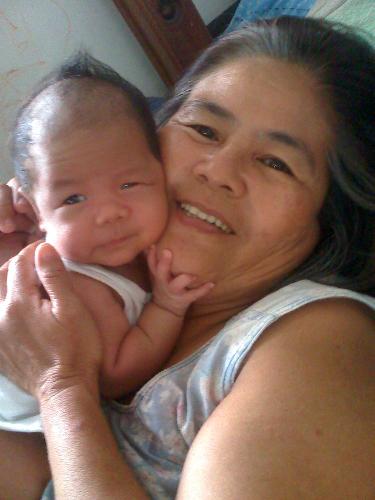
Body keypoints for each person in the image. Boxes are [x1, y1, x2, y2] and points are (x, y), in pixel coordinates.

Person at [0, 15, 374, 499]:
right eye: (203, 129)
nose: (218, 172)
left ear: (330, 214)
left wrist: (61, 385)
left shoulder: (321, 340)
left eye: (275, 162)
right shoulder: (104, 270)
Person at [0, 53, 213, 433]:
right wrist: (166, 307)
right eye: (73, 200)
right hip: (20, 424)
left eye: (129, 184)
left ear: (161, 171)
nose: (109, 213)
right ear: (38, 215)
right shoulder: (78, 283)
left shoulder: (141, 245)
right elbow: (116, 375)